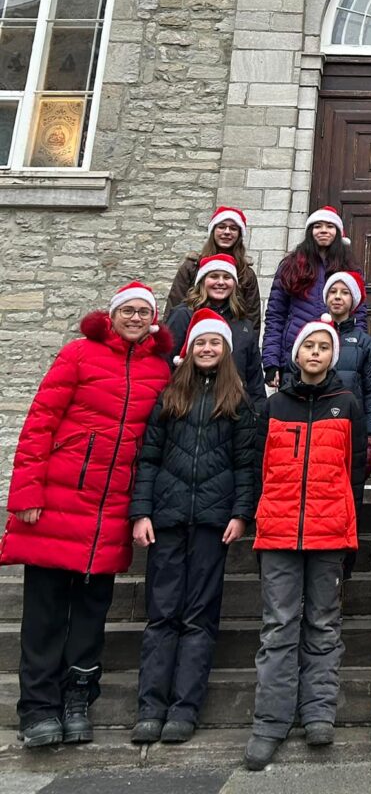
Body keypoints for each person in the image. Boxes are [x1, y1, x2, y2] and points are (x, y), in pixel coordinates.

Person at [1, 282, 173, 749]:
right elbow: (39, 424)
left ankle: (77, 700)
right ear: (112, 315)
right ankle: (38, 709)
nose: (136, 318)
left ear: (154, 320)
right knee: (44, 614)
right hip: (58, 501)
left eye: (144, 312)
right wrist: (27, 494)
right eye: (128, 311)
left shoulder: (160, 370)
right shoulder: (78, 355)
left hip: (112, 508)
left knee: (92, 613)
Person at [129, 309, 256, 745]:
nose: (206, 348)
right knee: (162, 614)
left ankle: (185, 707)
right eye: (201, 342)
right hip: (166, 518)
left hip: (211, 521)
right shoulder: (169, 398)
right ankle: (151, 707)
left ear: (225, 351)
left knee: (200, 615)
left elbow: (245, 465)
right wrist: (141, 512)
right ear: (191, 348)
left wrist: (241, 513)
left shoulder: (237, 402)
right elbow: (147, 459)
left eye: (214, 343)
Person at [245, 320, 366, 770]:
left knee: (323, 622)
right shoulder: (274, 404)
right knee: (278, 627)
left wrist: (348, 530)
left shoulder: (346, 404)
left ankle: (318, 712)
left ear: (332, 356)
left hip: (329, 531)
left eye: (323, 347)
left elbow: (354, 474)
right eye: (308, 346)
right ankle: (270, 722)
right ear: (296, 355)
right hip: (278, 531)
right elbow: (257, 467)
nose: (315, 353)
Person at [262, 206, 366, 388]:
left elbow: (360, 316)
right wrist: (271, 362)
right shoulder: (290, 266)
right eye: (318, 226)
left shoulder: (350, 268)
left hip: (340, 356)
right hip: (295, 356)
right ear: (310, 231)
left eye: (329, 226)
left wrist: (358, 354)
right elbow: (275, 316)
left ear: (338, 232)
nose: (324, 230)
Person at [165, 253, 266, 412]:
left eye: (227, 277)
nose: (220, 282)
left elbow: (254, 379)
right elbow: (166, 364)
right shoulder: (182, 316)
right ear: (202, 281)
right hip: (186, 408)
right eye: (214, 276)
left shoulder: (243, 325)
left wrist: (258, 415)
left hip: (231, 410)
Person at [323, 269, 371, 479]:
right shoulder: (312, 336)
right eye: (333, 292)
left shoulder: (365, 343)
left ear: (354, 300)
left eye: (345, 292)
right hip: (320, 428)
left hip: (352, 429)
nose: (338, 297)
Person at [165, 206, 262, 333]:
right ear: (213, 230)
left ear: (239, 234)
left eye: (233, 228)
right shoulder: (191, 267)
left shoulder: (246, 274)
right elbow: (174, 307)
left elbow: (252, 320)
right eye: (221, 227)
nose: (227, 232)